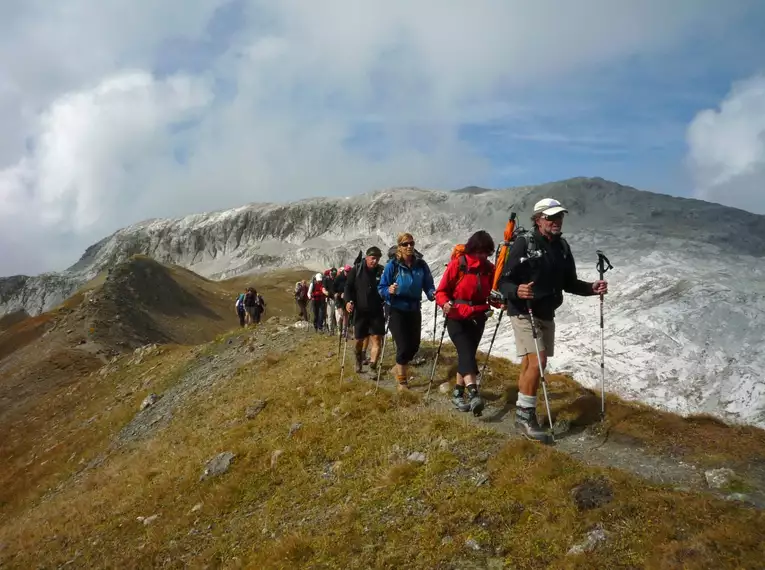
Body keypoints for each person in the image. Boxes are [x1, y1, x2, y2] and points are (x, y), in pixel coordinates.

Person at [498, 198, 609, 441]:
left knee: (533, 364)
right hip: (523, 310)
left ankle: (522, 410)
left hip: (546, 312)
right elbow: (503, 282)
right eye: (551, 217)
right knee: (537, 361)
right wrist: (517, 291)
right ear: (538, 220)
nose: (556, 221)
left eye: (559, 216)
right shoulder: (523, 243)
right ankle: (525, 418)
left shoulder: (562, 248)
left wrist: (592, 287)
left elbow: (569, 283)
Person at [435, 231, 495, 415]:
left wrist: (501, 302)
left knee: (466, 355)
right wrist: (444, 303)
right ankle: (474, 393)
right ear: (472, 249)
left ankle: (458, 393)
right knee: (466, 352)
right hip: (456, 317)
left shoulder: (489, 269)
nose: (483, 256)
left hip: (478, 317)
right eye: (480, 251)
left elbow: (494, 293)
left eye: (486, 252)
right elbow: (441, 291)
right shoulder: (457, 265)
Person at [378, 233, 436, 391]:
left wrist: (432, 294)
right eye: (405, 244)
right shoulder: (393, 265)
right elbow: (381, 288)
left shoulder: (421, 265)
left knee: (414, 345)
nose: (409, 246)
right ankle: (402, 382)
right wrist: (388, 290)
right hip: (395, 308)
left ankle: (398, 367)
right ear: (399, 247)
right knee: (403, 345)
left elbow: (428, 284)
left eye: (411, 243)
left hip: (414, 308)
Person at [345, 247, 385, 373]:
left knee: (377, 338)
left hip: (377, 310)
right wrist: (348, 301)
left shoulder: (381, 271)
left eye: (377, 259)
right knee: (359, 340)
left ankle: (373, 366)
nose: (375, 261)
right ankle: (358, 359)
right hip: (360, 311)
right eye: (373, 258)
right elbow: (348, 287)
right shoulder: (356, 269)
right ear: (367, 257)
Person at [333, 265, 350, 336]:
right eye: (346, 271)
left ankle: (344, 331)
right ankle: (339, 329)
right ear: (344, 271)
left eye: (348, 272)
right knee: (341, 315)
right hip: (339, 299)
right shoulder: (339, 278)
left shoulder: (350, 278)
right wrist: (338, 294)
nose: (347, 273)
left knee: (346, 315)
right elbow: (333, 288)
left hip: (347, 299)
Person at [324, 267, 339, 335]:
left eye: (334, 274)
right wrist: (330, 293)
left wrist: (337, 293)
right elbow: (325, 289)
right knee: (330, 315)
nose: (333, 275)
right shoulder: (326, 279)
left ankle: (338, 329)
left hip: (337, 299)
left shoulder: (336, 279)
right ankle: (330, 330)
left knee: (337, 315)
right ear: (330, 273)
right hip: (330, 299)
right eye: (332, 274)